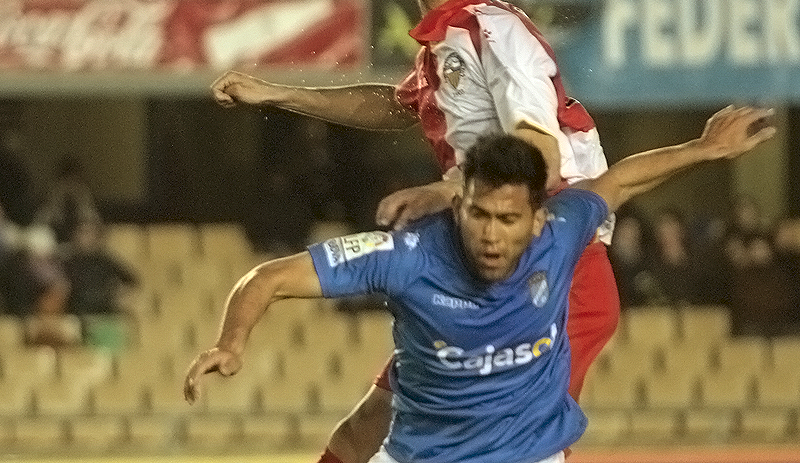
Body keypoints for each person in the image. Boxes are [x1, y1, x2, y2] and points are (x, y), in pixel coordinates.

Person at [209, 0, 617, 463]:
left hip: (549, 267)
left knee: (518, 446)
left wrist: (450, 190)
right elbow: (393, 105)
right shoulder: (443, 49)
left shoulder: (494, 29)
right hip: (475, 261)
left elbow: (540, 151)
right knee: (368, 424)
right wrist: (278, 93)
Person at [184, 105, 775, 463]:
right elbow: (270, 276)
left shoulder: (564, 229)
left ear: (538, 219)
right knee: (361, 427)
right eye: (478, 215)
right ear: (456, 206)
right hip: (420, 455)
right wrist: (231, 343)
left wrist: (705, 149)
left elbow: (617, 181)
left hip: (531, 456)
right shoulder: (407, 254)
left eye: (508, 219)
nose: (491, 234)